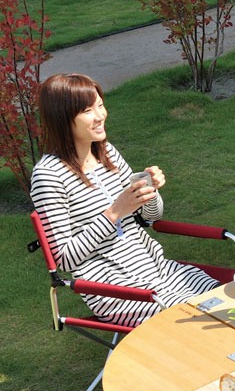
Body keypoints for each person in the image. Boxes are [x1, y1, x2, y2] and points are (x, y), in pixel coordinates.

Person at [30, 73, 219, 328]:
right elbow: (64, 258)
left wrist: (149, 192)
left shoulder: (106, 152)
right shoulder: (48, 176)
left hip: (158, 269)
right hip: (116, 290)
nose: (100, 116)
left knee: (223, 301)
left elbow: (150, 217)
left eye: (100, 105)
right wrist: (114, 213)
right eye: (88, 110)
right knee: (196, 321)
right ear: (62, 118)